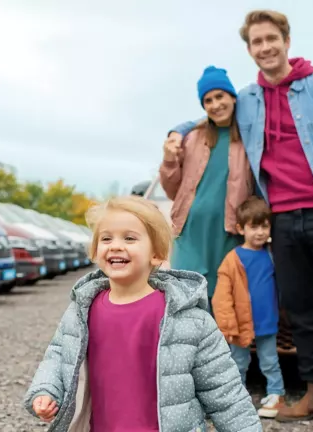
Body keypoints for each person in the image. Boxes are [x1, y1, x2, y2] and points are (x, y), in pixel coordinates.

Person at [167, 9, 313, 431]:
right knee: (298, 310)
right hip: (281, 220)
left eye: (270, 39)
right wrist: (175, 130)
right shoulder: (248, 100)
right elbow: (212, 112)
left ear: (286, 40)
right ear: (249, 50)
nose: (265, 47)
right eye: (256, 42)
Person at [23, 196, 261, 432]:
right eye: (106, 238)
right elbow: (58, 356)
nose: (115, 245)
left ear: (156, 254)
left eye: (129, 238)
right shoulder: (81, 310)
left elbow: (223, 390)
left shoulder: (186, 318)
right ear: (95, 251)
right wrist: (46, 391)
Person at [159, 66, 254, 316]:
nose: (215, 104)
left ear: (233, 98)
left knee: (225, 303)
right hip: (190, 234)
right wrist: (169, 160)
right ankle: (189, 356)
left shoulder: (248, 137)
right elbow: (172, 189)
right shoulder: (192, 138)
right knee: (187, 301)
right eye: (208, 100)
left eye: (220, 96)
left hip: (228, 234)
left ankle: (223, 356)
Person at [213, 196, 285, 419]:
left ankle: (276, 393)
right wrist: (227, 325)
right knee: (238, 362)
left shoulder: (272, 255)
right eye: (254, 227)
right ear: (241, 229)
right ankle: (237, 395)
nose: (260, 232)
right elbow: (222, 297)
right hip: (240, 323)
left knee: (270, 360)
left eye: (264, 226)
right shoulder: (233, 259)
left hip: (267, 320)